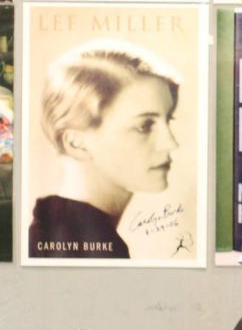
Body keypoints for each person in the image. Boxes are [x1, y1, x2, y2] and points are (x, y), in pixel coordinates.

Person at [28, 45, 179, 259]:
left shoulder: (56, 228)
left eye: (168, 120)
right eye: (144, 126)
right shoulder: (88, 248)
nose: (171, 143)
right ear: (76, 143)